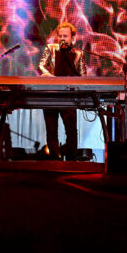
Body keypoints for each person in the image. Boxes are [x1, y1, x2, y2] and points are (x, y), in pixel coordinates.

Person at [37, 22, 86, 160]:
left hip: (69, 97)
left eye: (65, 36)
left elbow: (83, 76)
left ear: (72, 38)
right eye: (60, 36)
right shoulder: (51, 48)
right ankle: (54, 160)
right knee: (51, 130)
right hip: (50, 95)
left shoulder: (78, 54)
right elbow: (41, 65)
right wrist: (49, 76)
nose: (62, 38)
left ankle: (71, 160)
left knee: (71, 131)